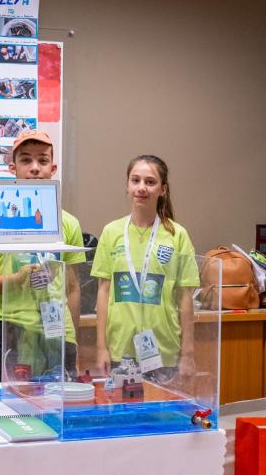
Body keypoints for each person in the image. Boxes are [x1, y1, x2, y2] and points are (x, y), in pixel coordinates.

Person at [0, 129, 85, 382]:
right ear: (13, 168)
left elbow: (73, 286)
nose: (35, 168)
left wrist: (73, 337)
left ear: (53, 168)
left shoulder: (69, 222)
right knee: (7, 401)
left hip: (56, 327)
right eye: (26, 160)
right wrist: (15, 280)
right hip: (6, 326)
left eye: (42, 160)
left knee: (58, 399)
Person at [91, 155, 198, 384]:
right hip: (120, 349)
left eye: (150, 182)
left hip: (164, 349)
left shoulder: (177, 235)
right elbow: (103, 291)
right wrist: (101, 348)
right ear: (127, 185)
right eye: (135, 180)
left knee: (160, 408)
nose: (141, 188)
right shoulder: (111, 232)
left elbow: (185, 296)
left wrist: (188, 354)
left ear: (163, 189)